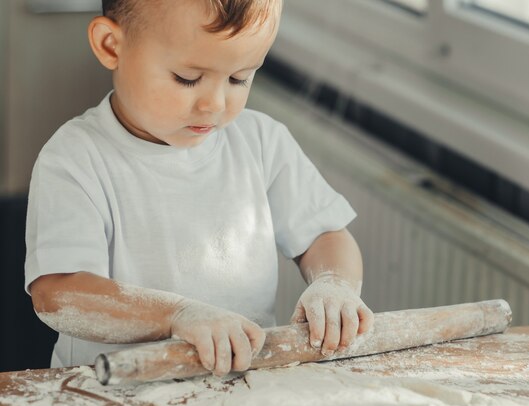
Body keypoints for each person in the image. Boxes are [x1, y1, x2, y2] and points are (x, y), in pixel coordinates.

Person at [25, 0, 373, 377]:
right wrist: (178, 315)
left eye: (239, 78)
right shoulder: (76, 158)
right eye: (187, 78)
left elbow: (325, 235)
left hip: (236, 389)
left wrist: (334, 284)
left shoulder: (261, 142)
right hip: (110, 392)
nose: (215, 104)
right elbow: (58, 293)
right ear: (112, 46)